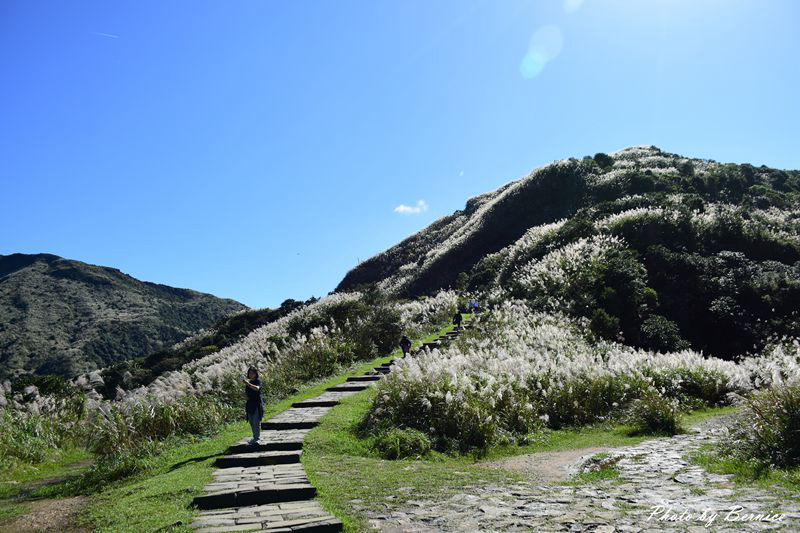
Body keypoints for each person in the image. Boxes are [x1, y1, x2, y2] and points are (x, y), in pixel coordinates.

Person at [244, 367, 263, 445]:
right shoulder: (248, 384)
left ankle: (257, 438)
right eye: (250, 373)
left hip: (257, 404)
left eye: (253, 373)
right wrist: (245, 396)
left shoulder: (258, 381)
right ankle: (254, 437)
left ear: (256, 374)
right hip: (249, 404)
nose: (251, 374)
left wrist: (248, 383)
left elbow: (257, 389)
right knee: (252, 422)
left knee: (256, 422)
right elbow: (247, 395)